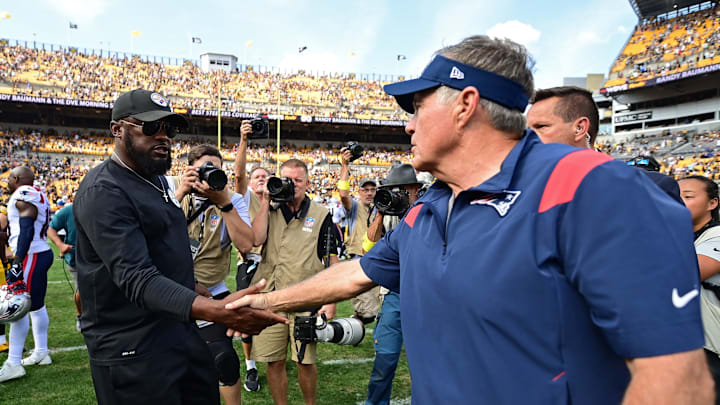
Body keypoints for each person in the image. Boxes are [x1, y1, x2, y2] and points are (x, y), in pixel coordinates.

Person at [227, 36, 714, 404]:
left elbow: (674, 378)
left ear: (465, 104)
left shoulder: (589, 187)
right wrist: (264, 301)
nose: (408, 123)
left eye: (416, 105)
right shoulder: (429, 206)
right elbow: (356, 273)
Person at [72, 89, 286, 404]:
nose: (163, 137)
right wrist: (217, 311)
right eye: (150, 127)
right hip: (132, 345)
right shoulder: (105, 189)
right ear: (117, 130)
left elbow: (164, 257)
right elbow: (137, 277)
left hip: (176, 331)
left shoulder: (155, 180)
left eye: (168, 129)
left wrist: (208, 295)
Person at [249, 158, 341, 405]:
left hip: (306, 299)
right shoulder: (270, 209)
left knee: (305, 360)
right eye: (287, 179)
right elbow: (255, 239)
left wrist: (330, 301)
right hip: (271, 297)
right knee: (273, 360)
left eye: (298, 180)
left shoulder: (322, 215)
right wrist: (266, 199)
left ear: (308, 183)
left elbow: (332, 258)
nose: (293, 184)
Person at [169, 144, 255, 405]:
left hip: (212, 290)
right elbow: (153, 237)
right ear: (190, 170)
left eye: (216, 170)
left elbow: (246, 245)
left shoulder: (231, 199)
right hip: (170, 290)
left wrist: (224, 204)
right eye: (205, 169)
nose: (210, 175)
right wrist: (182, 191)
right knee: (171, 366)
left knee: (224, 362)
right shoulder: (170, 189)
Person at [528, 86, 683, 204]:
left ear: (580, 128)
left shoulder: (651, 187)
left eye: (541, 127)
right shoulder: (527, 189)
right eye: (529, 129)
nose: (529, 136)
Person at [362, 164, 421, 405]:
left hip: (422, 295)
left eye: (403, 190)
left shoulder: (427, 209)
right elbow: (368, 249)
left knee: (426, 365)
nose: (398, 194)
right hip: (395, 294)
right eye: (393, 190)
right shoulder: (386, 213)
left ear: (416, 189)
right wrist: (380, 213)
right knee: (384, 362)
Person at [0, 166, 54, 383]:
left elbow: (27, 226)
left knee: (18, 305)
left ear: (16, 179)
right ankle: (42, 352)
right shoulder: (37, 193)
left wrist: (18, 260)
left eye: (9, 178)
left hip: (31, 254)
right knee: (36, 305)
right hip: (38, 252)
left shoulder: (24, 194)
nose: (7, 182)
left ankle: (14, 363)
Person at [234, 120, 272, 392]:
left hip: (274, 266)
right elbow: (238, 176)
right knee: (247, 316)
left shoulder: (275, 200)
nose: (261, 179)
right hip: (249, 265)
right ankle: (250, 367)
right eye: (257, 176)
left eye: (265, 176)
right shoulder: (245, 197)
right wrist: (244, 141)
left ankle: (274, 358)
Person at [679, 175, 720, 404]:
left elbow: (686, 273)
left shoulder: (716, 235)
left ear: (712, 203)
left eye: (688, 196)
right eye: (676, 196)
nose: (679, 201)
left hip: (713, 350)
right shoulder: (685, 237)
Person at [337, 148, 380, 324]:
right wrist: (345, 165)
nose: (369, 193)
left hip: (379, 257)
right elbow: (343, 194)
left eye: (372, 189)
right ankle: (356, 323)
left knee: (377, 306)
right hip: (359, 258)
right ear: (359, 192)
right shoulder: (354, 207)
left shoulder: (380, 208)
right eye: (365, 189)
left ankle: (358, 323)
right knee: (367, 312)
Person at [47, 200, 82, 331]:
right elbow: (51, 229)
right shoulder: (68, 210)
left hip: (99, 257)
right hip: (76, 258)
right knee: (81, 291)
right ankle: (80, 315)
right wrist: (60, 245)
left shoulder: (100, 207)